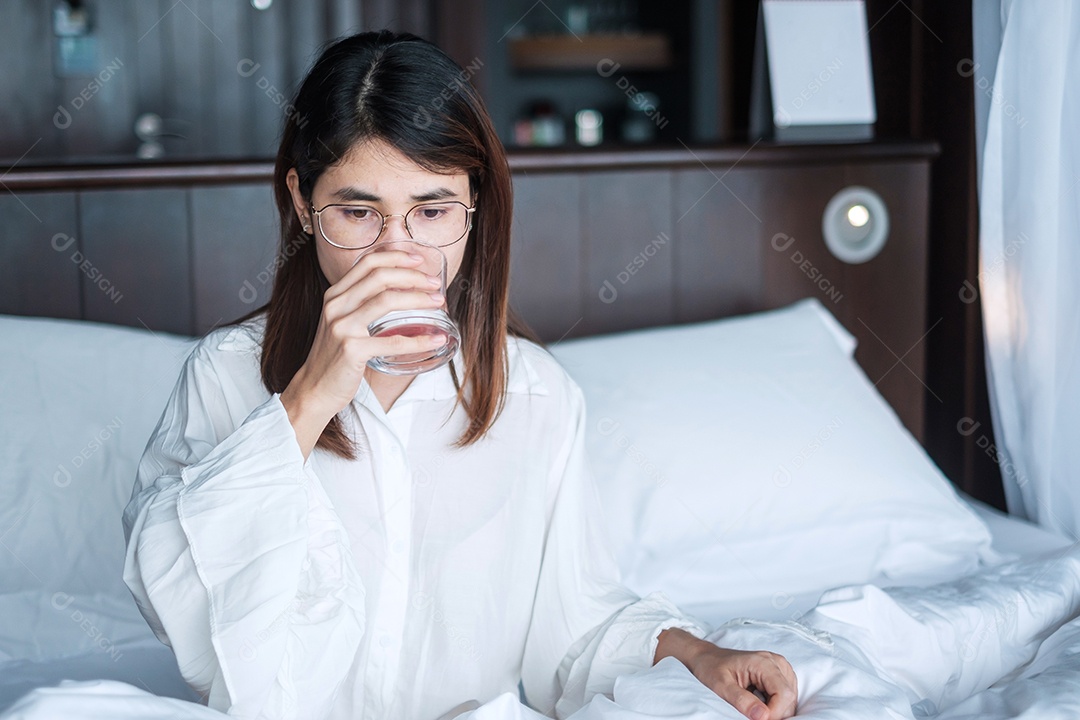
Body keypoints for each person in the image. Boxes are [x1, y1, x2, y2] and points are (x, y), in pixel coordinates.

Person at [121, 30, 797, 720]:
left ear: (475, 208)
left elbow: (576, 629)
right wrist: (307, 401)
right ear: (302, 204)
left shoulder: (535, 396)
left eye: (434, 211)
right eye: (357, 213)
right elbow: (176, 599)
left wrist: (697, 655)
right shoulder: (226, 374)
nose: (397, 252)